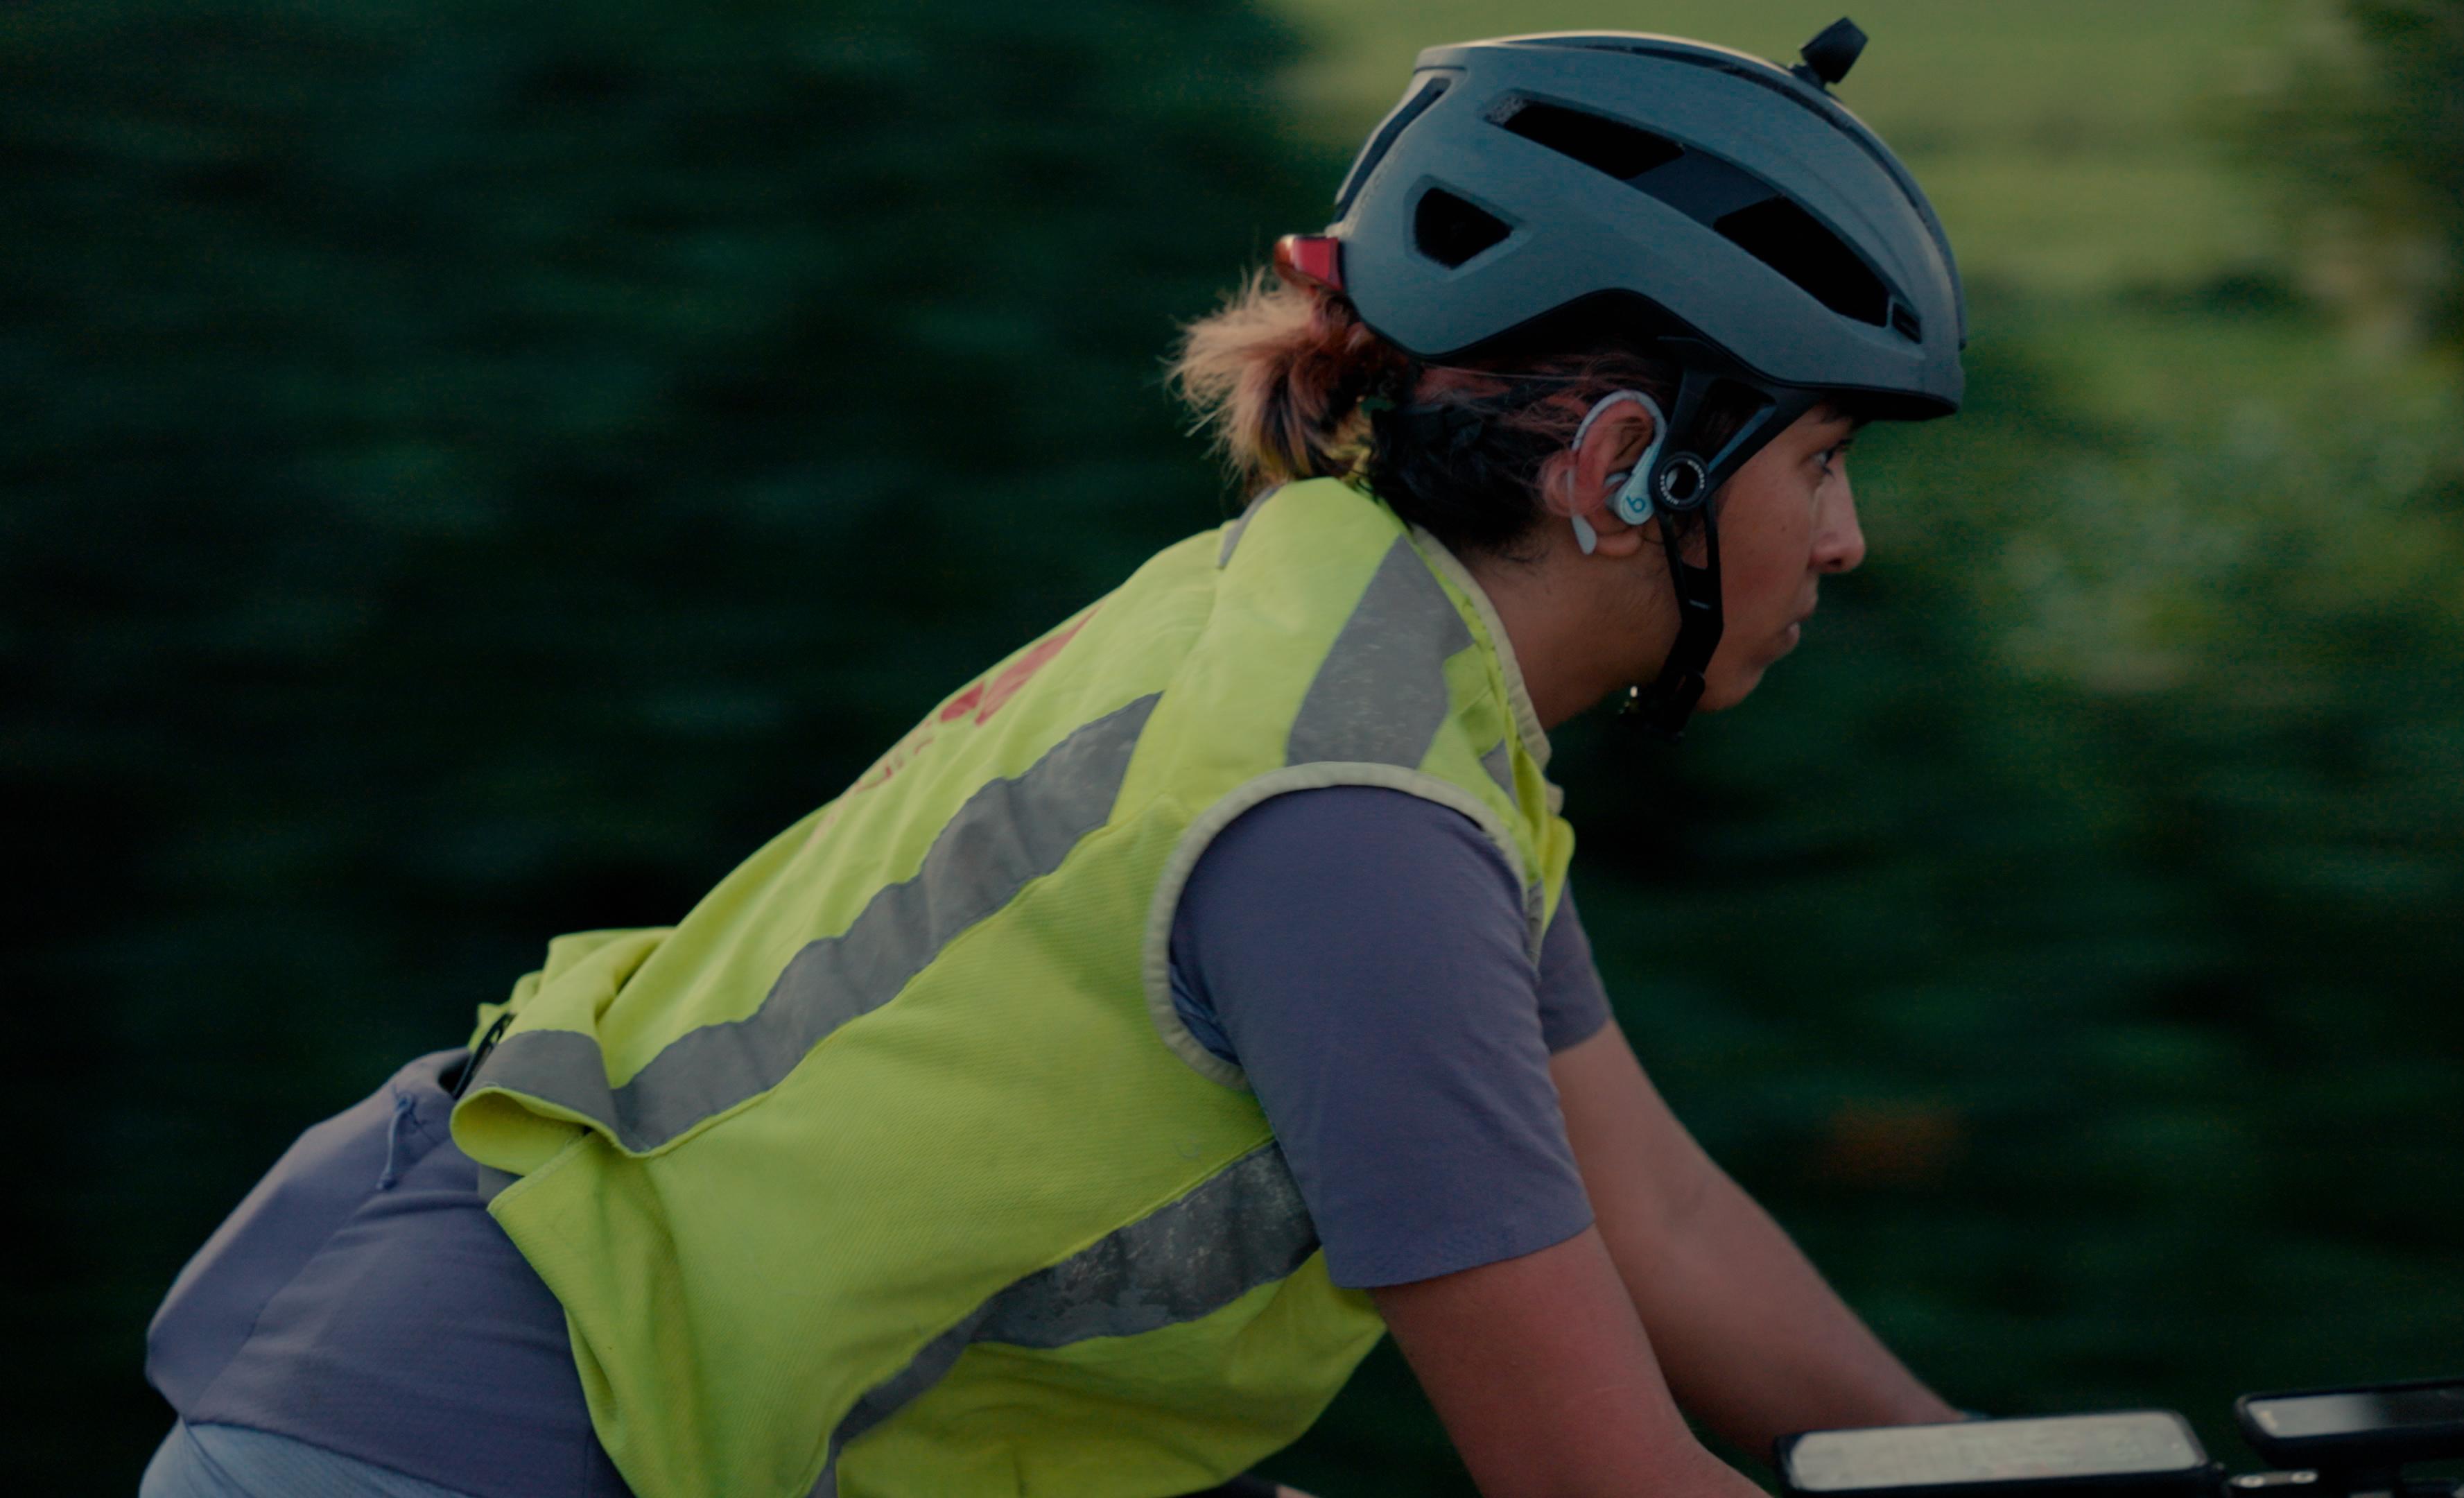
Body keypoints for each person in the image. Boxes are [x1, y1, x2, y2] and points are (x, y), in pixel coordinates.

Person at [140, 21, 1968, 1498]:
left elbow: (1663, 1224)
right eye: (1817, 461)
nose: (1844, 540)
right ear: (1623, 464)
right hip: (458, 1448)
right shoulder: (1350, 821)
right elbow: (1589, 1473)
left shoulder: (1388, 690)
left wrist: (1993, 1471)